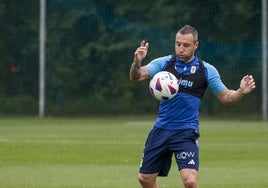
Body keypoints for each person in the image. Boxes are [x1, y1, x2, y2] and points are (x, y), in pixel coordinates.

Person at [129, 25, 256, 188]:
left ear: (196, 45)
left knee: (190, 181)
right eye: (178, 44)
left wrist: (241, 92)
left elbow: (226, 97)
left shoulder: (206, 70)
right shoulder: (164, 63)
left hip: (186, 131)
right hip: (161, 129)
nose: (180, 49)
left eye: (186, 45)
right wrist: (137, 62)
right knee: (144, 178)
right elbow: (136, 76)